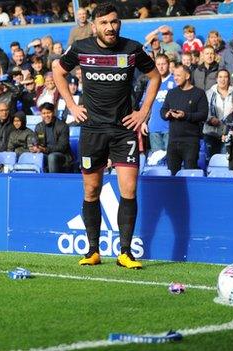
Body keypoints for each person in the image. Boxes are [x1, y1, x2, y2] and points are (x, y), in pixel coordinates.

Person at [52, 3, 161, 269]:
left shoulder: (132, 49)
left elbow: (155, 76)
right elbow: (58, 70)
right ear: (94, 26)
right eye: (104, 23)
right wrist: (72, 105)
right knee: (91, 190)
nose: (110, 27)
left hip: (124, 129)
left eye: (114, 22)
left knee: (130, 189)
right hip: (92, 129)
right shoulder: (81, 48)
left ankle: (125, 253)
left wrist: (143, 111)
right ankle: (92, 250)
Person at [160, 65, 208, 175]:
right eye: (174, 75)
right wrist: (166, 114)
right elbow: (163, 110)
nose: (175, 78)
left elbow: (203, 115)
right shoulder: (171, 93)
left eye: (178, 75)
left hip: (190, 141)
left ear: (187, 76)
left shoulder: (199, 93)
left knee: (190, 171)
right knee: (171, 173)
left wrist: (185, 115)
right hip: (173, 140)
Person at [31, 102, 72, 172]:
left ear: (53, 112)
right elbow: (37, 141)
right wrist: (35, 147)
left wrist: (44, 149)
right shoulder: (39, 127)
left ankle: (53, 180)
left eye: (48, 113)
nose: (46, 115)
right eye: (44, 113)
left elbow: (62, 147)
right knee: (32, 156)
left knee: (52, 157)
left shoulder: (62, 126)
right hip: (45, 153)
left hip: (62, 155)